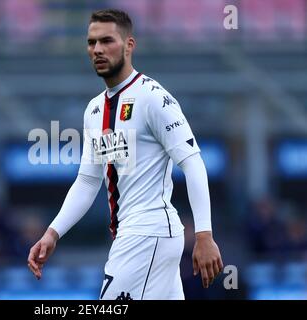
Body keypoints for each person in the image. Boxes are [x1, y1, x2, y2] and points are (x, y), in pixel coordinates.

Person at [28, 9, 223, 300]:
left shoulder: (153, 97)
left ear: (129, 45)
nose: (97, 50)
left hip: (147, 235)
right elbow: (86, 182)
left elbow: (193, 162)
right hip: (138, 237)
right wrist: (53, 233)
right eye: (91, 42)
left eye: (107, 41)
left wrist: (204, 234)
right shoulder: (94, 110)